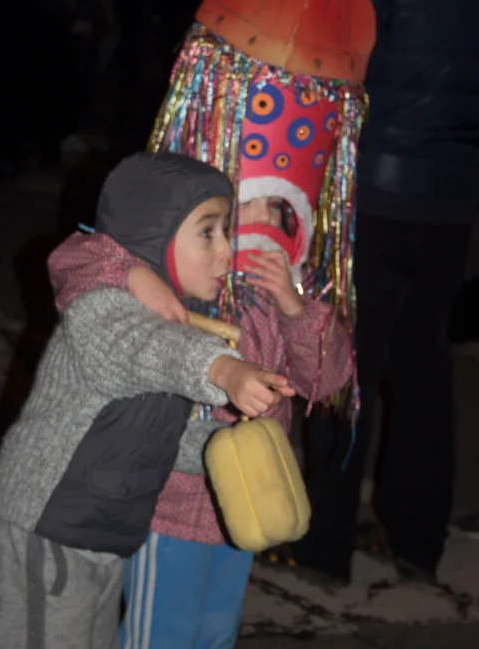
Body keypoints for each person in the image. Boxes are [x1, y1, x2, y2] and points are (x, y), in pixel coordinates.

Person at [0, 151, 295, 649]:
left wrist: (235, 453)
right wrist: (224, 370)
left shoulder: (181, 314)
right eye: (208, 232)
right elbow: (148, 348)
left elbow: (165, 435)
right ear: (155, 235)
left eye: (226, 231)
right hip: (48, 527)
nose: (227, 251)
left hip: (106, 531)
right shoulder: (105, 307)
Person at [49, 184, 353, 647]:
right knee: (160, 634)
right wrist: (134, 273)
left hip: (246, 500)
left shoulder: (288, 287)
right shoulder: (180, 269)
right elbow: (74, 260)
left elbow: (325, 381)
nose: (264, 219)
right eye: (247, 205)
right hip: (168, 505)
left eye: (274, 206)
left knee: (216, 630)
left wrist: (294, 306)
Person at [296, 0, 479, 585]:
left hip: (373, 193)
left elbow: (333, 57)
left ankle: (324, 546)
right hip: (452, 199)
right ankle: (416, 541)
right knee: (423, 363)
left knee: (346, 365)